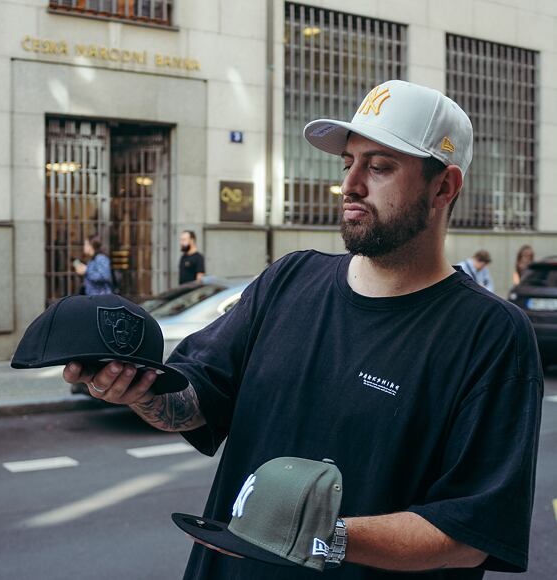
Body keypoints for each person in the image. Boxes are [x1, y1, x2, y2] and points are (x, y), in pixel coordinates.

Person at [64, 80, 543, 579]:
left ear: (444, 187)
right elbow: (195, 402)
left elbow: (469, 535)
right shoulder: (287, 280)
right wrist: (136, 387)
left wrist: (319, 536)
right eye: (348, 163)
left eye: (378, 167)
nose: (350, 185)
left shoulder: (492, 335)